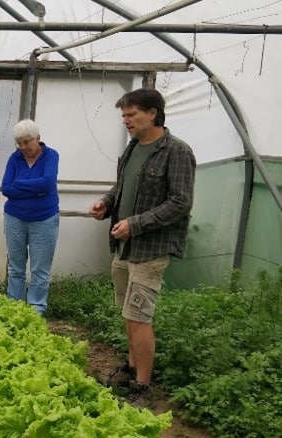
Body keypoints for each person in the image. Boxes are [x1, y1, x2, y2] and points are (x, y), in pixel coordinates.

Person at [88, 88, 195, 393]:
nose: (126, 121)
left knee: (139, 315)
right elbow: (122, 187)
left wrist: (134, 224)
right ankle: (132, 367)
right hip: (125, 245)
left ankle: (142, 386)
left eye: (132, 115)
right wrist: (107, 203)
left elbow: (180, 203)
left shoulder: (177, 151)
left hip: (151, 249)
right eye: (124, 115)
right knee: (127, 312)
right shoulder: (133, 148)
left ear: (153, 113)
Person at [1, 119, 60, 316]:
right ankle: (14, 308)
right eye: (20, 143)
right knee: (16, 267)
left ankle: (36, 310)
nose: (24, 147)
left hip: (44, 220)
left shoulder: (51, 156)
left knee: (40, 270)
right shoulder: (14, 158)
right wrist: (34, 190)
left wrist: (20, 183)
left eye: (27, 142)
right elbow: (6, 189)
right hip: (14, 218)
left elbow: (47, 183)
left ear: (38, 138)